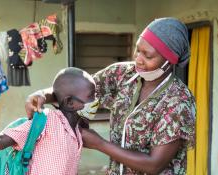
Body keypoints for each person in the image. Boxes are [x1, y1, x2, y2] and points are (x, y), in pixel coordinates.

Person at [25, 17, 196, 175]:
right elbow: (75, 89)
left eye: (148, 55)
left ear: (169, 61)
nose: (138, 59)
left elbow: (155, 164)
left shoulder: (178, 101)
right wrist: (42, 95)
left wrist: (100, 144)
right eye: (138, 50)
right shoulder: (123, 74)